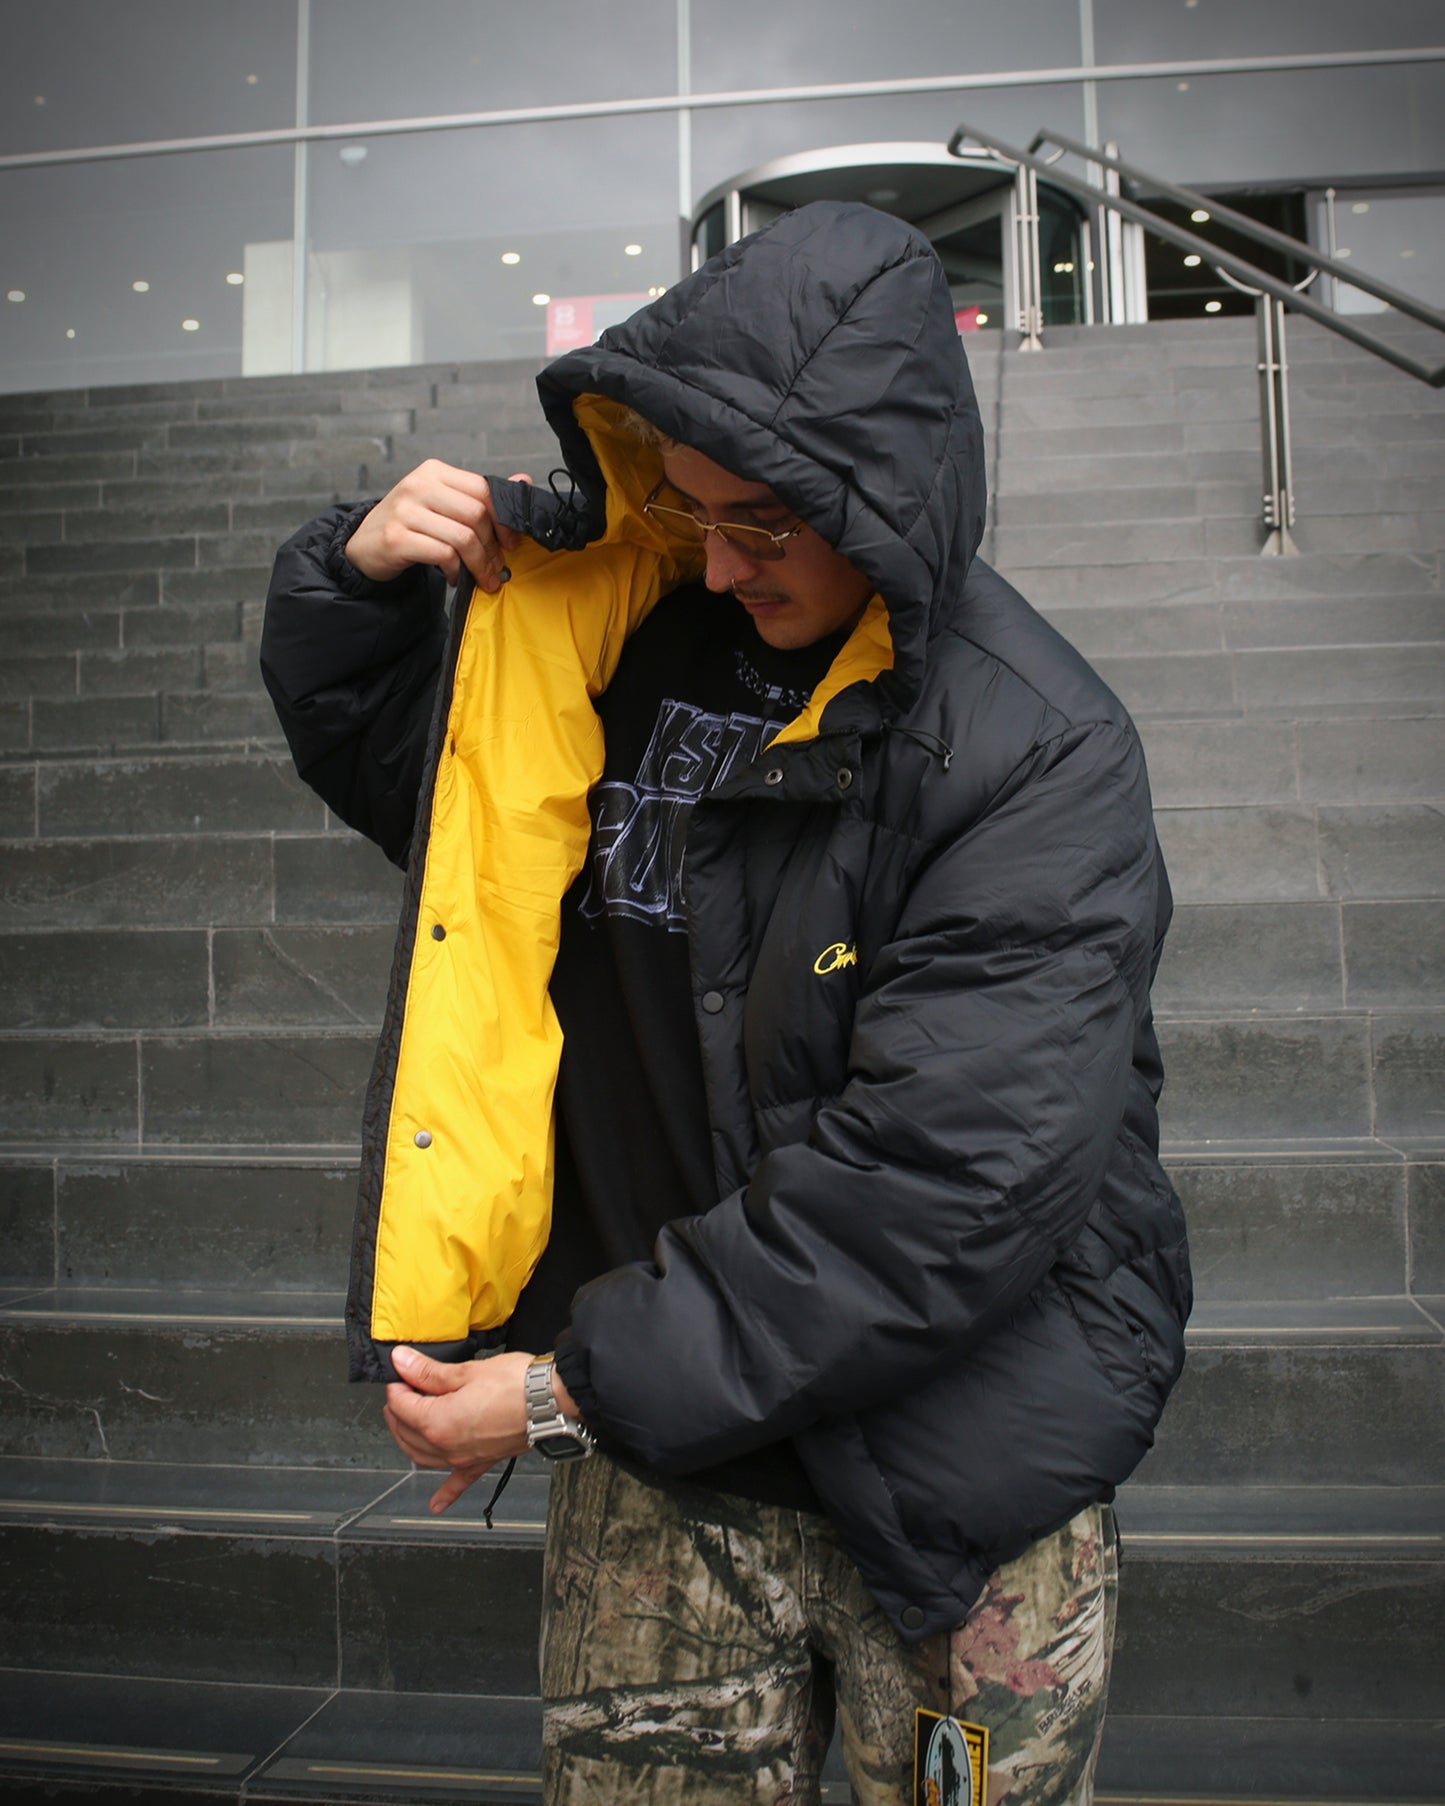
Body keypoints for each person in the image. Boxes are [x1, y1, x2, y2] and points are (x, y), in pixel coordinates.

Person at [262, 201, 1191, 1806]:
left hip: (956, 1489)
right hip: (663, 1475)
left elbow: (938, 1186)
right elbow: (448, 803)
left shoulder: (1037, 749)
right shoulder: (616, 629)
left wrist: (557, 1392)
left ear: (880, 494)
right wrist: (358, 592)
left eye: (762, 523)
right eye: (689, 508)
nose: (715, 559)